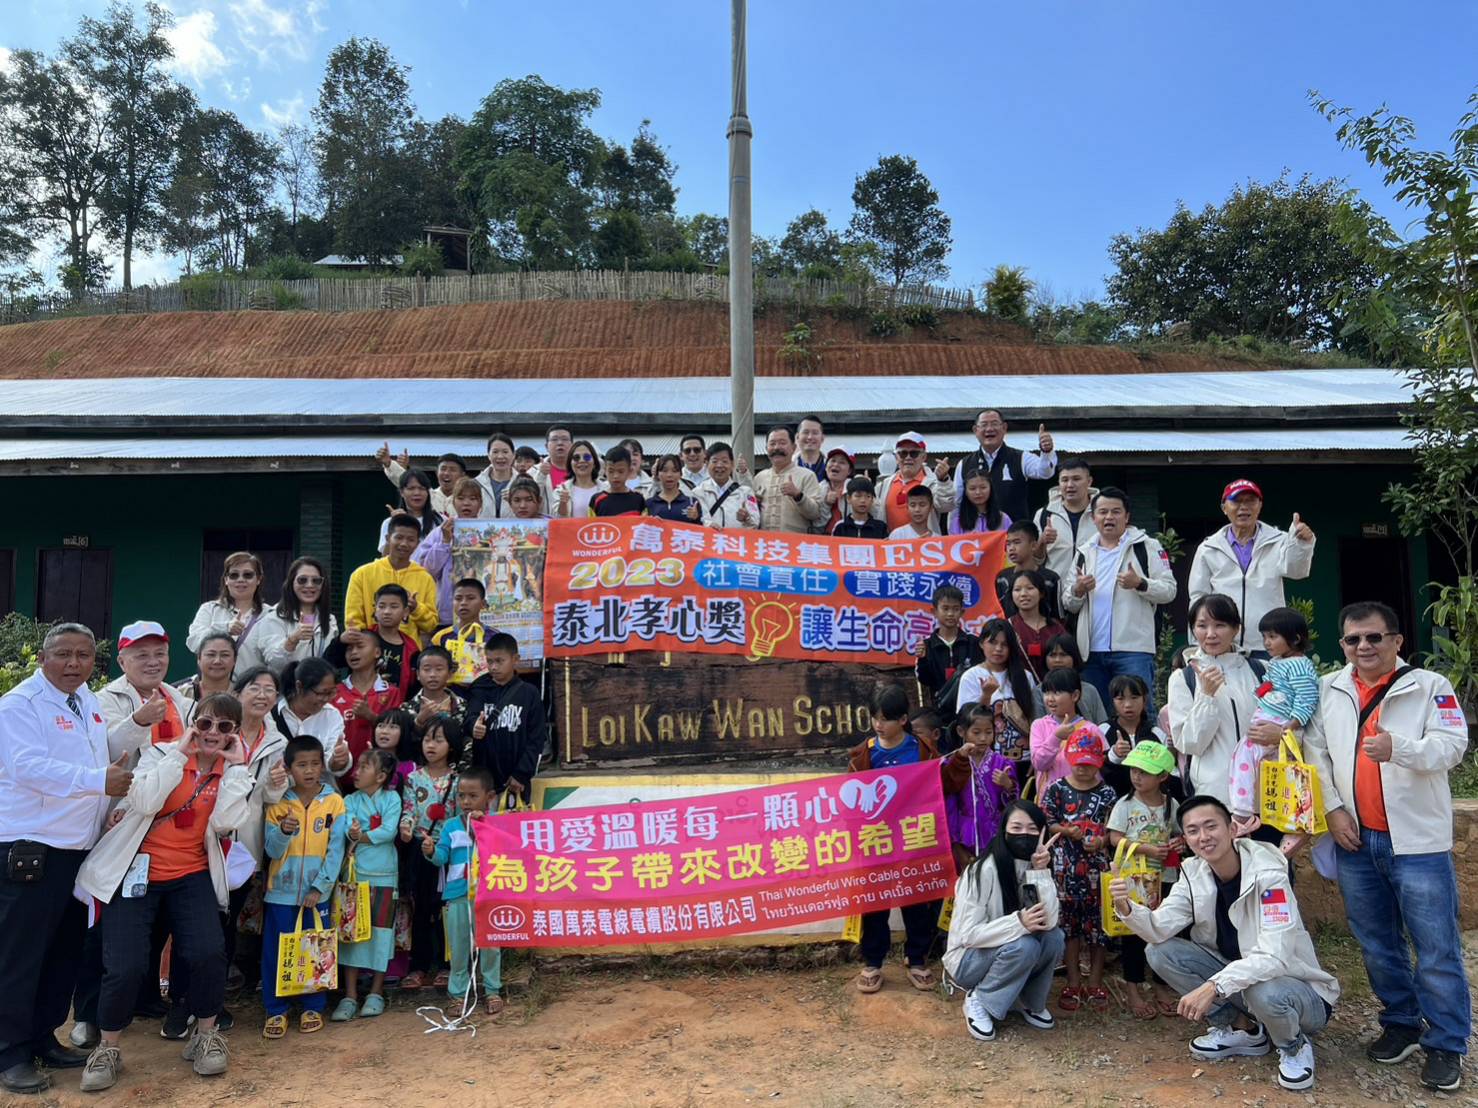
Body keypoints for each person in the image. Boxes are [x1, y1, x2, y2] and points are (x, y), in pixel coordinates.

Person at [1302, 601, 1470, 1092]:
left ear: (1397, 641)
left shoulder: (1431, 687)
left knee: (1436, 947)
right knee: (1377, 944)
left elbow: (1452, 745)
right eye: (1353, 640)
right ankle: (1402, 1022)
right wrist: (1332, 810)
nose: (1364, 647)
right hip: (1356, 839)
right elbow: (1317, 753)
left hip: (1416, 842)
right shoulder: (1330, 687)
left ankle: (1447, 1042)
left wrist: (1401, 749)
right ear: (1343, 645)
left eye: (1374, 638)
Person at [75, 693, 253, 1091]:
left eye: (224, 727)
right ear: (193, 723)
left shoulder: (232, 771)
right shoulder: (159, 753)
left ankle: (205, 1034)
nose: (213, 733)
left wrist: (238, 768)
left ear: (234, 734)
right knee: (126, 965)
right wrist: (178, 754)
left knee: (208, 952)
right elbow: (144, 799)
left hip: (190, 873)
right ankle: (108, 1047)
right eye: (205, 723)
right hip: (136, 870)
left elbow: (225, 821)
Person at [1108, 794, 1339, 1093]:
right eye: (1192, 831)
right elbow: (1158, 929)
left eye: (1210, 826)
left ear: (1232, 829)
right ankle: (1243, 1029)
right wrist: (1126, 906)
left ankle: (1293, 1045)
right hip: (1242, 986)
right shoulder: (1193, 873)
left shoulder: (1269, 876)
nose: (1203, 837)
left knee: (1264, 988)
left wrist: (1212, 986)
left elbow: (1274, 958)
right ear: (1186, 839)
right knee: (1160, 951)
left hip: (1299, 993)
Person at [0, 623, 129, 1096]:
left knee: (60, 952)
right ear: (41, 657)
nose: (74, 663)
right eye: (63, 654)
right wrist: (99, 782)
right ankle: (8, 1051)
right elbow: (26, 767)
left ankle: (41, 1036)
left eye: (83, 655)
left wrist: (135, 727)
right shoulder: (18, 706)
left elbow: (101, 749)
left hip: (78, 848)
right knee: (19, 954)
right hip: (32, 847)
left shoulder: (87, 701)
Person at [847, 684, 940, 994]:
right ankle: (873, 962)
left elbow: (942, 785)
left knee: (915, 901)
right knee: (875, 902)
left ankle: (916, 960)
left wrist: (961, 760)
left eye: (885, 718)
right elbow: (851, 800)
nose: (878, 724)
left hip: (914, 838)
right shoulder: (863, 753)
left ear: (903, 720)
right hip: (876, 841)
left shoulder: (922, 749)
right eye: (874, 717)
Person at [944, 802, 1063, 1042]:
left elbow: (1048, 922)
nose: (1024, 835)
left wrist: (1041, 872)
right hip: (967, 962)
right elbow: (968, 935)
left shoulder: (1032, 866)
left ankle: (1027, 1001)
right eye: (1016, 827)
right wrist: (1018, 923)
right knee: (1025, 945)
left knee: (1054, 938)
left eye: (1032, 829)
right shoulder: (981, 870)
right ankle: (979, 998)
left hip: (1006, 951)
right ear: (1003, 830)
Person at [1062, 488, 1177, 716]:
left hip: (1133, 649)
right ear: (1093, 518)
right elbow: (1068, 602)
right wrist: (1078, 590)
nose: (1109, 517)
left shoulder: (1146, 546)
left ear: (1127, 517)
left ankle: (1145, 752)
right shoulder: (1084, 552)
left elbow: (1169, 590)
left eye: (1116, 512)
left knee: (1141, 713)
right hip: (1091, 650)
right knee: (1096, 717)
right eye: (1102, 512)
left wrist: (1141, 583)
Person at [260, 736, 347, 1038]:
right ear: (288, 768)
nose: (309, 771)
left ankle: (313, 1005)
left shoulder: (334, 802)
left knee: (317, 948)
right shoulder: (278, 803)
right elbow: (271, 850)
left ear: (322, 766)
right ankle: (276, 1009)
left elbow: (336, 851)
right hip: (280, 893)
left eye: (314, 764)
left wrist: (320, 887)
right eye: (301, 765)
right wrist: (283, 832)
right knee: (278, 950)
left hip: (316, 893)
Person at [1187, 480, 1316, 653]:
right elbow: (1198, 597)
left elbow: (1297, 572)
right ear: (1224, 507)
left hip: (1269, 641)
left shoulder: (1279, 540)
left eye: (1250, 501)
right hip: (1224, 644)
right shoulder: (1208, 548)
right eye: (1237, 501)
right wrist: (1197, 643)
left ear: (1260, 506)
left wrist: (1303, 544)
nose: (1244, 507)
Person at [1168, 594, 1268, 812]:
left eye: (1220, 625)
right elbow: (1189, 743)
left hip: (1265, 791)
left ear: (1236, 628)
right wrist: (1206, 696)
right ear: (1193, 630)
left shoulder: (1260, 670)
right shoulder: (1183, 678)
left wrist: (1279, 733)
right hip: (1214, 795)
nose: (1211, 634)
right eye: (1202, 626)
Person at [1106, 740, 1183, 1019]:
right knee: (1133, 935)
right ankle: (1133, 990)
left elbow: (1178, 833)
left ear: (1163, 776)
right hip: (1134, 878)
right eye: (1134, 770)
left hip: (1165, 877)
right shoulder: (1125, 805)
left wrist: (1177, 844)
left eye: (1145, 772)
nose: (1137, 776)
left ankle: (1162, 987)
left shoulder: (1171, 805)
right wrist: (1147, 848)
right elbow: (1114, 838)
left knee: (1164, 930)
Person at [1041, 728, 1115, 1012]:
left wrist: (1102, 840)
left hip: (1097, 871)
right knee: (1070, 929)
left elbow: (1112, 829)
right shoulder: (1057, 788)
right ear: (1068, 758)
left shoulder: (1108, 792)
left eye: (1090, 763)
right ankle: (1072, 981)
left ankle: (1095, 982)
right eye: (1078, 762)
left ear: (1099, 761)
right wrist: (1065, 830)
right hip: (1064, 870)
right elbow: (1047, 821)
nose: (1083, 768)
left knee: (1099, 929)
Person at [425, 768, 505, 1016]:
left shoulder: (495, 823)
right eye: (461, 796)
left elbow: (502, 852)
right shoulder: (450, 827)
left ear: (489, 797)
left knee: (491, 944)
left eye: (473, 796)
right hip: (457, 895)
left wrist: (482, 826)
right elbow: (441, 858)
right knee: (459, 948)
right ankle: (458, 994)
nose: (466, 802)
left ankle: (493, 990)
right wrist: (429, 851)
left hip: (488, 894)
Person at [1228, 606, 1320, 821]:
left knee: (1246, 753)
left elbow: (1306, 697)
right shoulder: (1280, 662)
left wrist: (1291, 725)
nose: (1266, 642)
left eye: (1272, 636)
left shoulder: (1298, 666)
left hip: (1278, 719)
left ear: (1295, 638)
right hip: (1271, 716)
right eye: (1264, 637)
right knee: (1268, 765)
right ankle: (1281, 812)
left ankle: (1242, 810)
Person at [331, 750, 403, 1022]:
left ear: (381, 777)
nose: (356, 771)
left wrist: (359, 835)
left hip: (385, 874)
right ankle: (349, 995)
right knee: (351, 933)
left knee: (381, 933)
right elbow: (348, 828)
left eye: (364, 766)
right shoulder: (349, 799)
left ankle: (376, 991)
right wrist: (358, 834)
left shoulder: (392, 799)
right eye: (357, 766)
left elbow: (389, 832)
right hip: (355, 875)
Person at [399, 718, 464, 990]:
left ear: (451, 746)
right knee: (422, 908)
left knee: (447, 909)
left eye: (438, 740)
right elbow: (409, 808)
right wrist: (406, 827)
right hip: (419, 849)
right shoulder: (413, 777)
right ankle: (418, 966)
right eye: (427, 739)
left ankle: (448, 965)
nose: (431, 745)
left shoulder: (458, 779)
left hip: (448, 851)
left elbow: (461, 815)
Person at [468, 633, 547, 798]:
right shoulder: (479, 687)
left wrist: (522, 773)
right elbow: (470, 718)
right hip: (483, 778)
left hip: (516, 777)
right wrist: (473, 727)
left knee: (514, 821)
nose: (494, 667)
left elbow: (537, 738)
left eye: (499, 661)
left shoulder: (529, 693)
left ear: (515, 659)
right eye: (489, 661)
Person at [942, 704, 1019, 872]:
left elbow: (1013, 805)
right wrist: (955, 842)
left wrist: (1008, 785)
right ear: (962, 732)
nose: (983, 738)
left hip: (995, 831)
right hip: (965, 832)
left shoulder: (1003, 764)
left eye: (988, 732)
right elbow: (950, 805)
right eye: (976, 733)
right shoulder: (954, 765)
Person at [956, 619, 1043, 764]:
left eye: (1004, 644)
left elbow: (1035, 719)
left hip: (1025, 758)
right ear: (981, 643)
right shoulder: (970, 677)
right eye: (993, 642)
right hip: (986, 759)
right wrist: (986, 695)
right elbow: (967, 721)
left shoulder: (1024, 676)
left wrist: (1036, 755)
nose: (998, 649)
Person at [99, 620, 191, 756]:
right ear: (121, 662)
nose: (153, 662)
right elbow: (110, 752)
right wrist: (138, 722)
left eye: (160, 654)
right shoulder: (105, 700)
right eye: (142, 655)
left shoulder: (179, 698)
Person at [345, 514, 439, 642]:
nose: (404, 544)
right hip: (371, 652)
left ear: (417, 543)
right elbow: (353, 621)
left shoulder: (425, 578)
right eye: (399, 537)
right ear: (388, 538)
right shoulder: (362, 574)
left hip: (409, 654)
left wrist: (416, 608)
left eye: (411, 539)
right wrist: (368, 646)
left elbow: (431, 625)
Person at [954, 410, 1057, 526]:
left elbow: (1045, 472)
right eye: (984, 425)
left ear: (1004, 428)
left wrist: (1046, 451)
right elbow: (956, 502)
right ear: (975, 430)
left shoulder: (1021, 458)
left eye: (994, 424)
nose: (989, 429)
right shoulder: (964, 464)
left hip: (1015, 536)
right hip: (977, 537)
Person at [249, 558, 339, 677]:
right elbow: (274, 662)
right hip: (287, 692)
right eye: (302, 580)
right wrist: (292, 640)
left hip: (320, 692)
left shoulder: (329, 620)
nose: (309, 585)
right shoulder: (274, 618)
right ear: (291, 583)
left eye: (316, 581)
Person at [330, 633, 403, 776]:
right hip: (341, 775)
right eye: (349, 649)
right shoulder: (335, 692)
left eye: (360, 646)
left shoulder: (392, 692)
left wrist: (371, 716)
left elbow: (399, 733)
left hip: (380, 777)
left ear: (377, 652)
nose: (354, 652)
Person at [913, 585, 985, 722]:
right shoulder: (927, 645)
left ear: (962, 612)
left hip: (970, 712)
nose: (951, 614)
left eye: (955, 609)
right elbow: (924, 679)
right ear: (934, 611)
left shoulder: (973, 642)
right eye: (945, 609)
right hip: (940, 712)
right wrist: (922, 659)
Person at [272, 659, 352, 781]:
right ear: (299, 686)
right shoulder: (272, 715)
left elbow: (332, 764)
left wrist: (339, 759)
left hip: (317, 793)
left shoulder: (332, 716)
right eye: (321, 693)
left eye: (331, 693)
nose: (326, 699)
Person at [186, 552, 267, 673]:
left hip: (252, 687)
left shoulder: (270, 614)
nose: (240, 579)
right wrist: (224, 629)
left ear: (259, 579)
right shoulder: (209, 609)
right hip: (215, 686)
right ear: (226, 580)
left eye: (248, 575)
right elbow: (193, 642)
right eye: (234, 575)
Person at [431, 579, 497, 724]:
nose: (463, 603)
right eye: (458, 598)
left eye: (471, 598)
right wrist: (445, 669)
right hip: (450, 702)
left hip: (486, 700)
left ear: (483, 604)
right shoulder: (441, 637)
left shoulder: (495, 637)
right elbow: (430, 670)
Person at [1029, 671, 1103, 797]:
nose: (1050, 698)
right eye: (1047, 692)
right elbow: (1039, 764)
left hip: (1084, 800)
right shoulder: (1039, 725)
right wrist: (1056, 737)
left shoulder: (1092, 729)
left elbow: (1100, 768)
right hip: (1050, 800)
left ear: (1075, 695)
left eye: (1057, 693)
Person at [1104, 674, 1173, 798]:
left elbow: (1167, 769)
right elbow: (1095, 769)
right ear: (1113, 702)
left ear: (1145, 700)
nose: (1128, 705)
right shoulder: (1103, 731)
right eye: (1120, 699)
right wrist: (1114, 754)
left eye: (1134, 697)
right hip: (1112, 800)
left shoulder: (1156, 733)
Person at [873, 431, 955, 535]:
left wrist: (943, 480)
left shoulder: (933, 483)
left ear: (924, 457)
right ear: (897, 457)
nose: (908, 458)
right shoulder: (884, 485)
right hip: (892, 546)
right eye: (903, 453)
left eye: (914, 453)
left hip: (922, 547)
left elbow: (946, 505)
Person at [1032, 457, 1097, 584]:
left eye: (1076, 479)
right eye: (1064, 480)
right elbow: (1035, 560)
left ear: (1089, 481)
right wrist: (1042, 541)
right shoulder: (1044, 515)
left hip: (1094, 589)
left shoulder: (1102, 513)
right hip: (1055, 590)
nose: (1070, 485)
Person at [752, 425, 827, 534]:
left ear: (793, 447)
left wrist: (798, 495)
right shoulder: (760, 477)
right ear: (766, 448)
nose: (777, 448)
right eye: (772, 444)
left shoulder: (807, 476)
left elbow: (815, 514)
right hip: (764, 545)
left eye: (782, 443)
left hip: (794, 546)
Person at [1007, 570, 1068, 682]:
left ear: (1041, 593)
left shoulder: (1056, 627)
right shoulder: (1007, 627)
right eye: (1017, 589)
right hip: (1019, 689)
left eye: (1030, 588)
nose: (1023, 594)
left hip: (1054, 691)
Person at [994, 521, 1061, 621]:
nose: (1011, 548)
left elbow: (1058, 617)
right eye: (1008, 544)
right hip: (1010, 634)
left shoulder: (1050, 579)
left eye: (1017, 542)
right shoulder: (1002, 578)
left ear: (1033, 545)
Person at [377, 446, 468, 517]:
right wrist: (389, 463)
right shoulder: (427, 495)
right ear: (436, 473)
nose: (446, 473)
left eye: (452, 470)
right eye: (443, 469)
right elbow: (405, 480)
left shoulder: (470, 500)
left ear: (462, 475)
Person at [1043, 634, 1108, 726]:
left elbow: (1102, 724)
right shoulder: (1039, 692)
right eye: (1052, 655)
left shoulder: (1089, 690)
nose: (1057, 660)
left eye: (1063, 655)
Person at [694, 442, 759, 529]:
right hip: (710, 541)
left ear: (732, 464)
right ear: (706, 464)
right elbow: (696, 521)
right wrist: (708, 525)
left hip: (736, 541)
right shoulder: (698, 492)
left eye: (724, 461)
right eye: (714, 461)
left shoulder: (746, 492)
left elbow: (755, 523)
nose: (720, 465)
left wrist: (747, 518)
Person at [376, 468, 443, 552]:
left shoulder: (440, 521)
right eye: (411, 488)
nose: (417, 493)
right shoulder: (389, 522)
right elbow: (385, 558)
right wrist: (396, 524)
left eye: (422, 488)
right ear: (401, 492)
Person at [176, 634, 238, 706]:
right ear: (199, 659)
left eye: (225, 655)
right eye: (211, 655)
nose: (217, 661)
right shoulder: (180, 694)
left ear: (235, 660)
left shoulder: (242, 695)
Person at [590, 445, 647, 517]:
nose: (615, 476)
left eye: (620, 471)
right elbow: (591, 525)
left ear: (629, 471)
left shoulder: (639, 500)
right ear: (605, 471)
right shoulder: (596, 500)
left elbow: (645, 525)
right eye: (611, 471)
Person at [950, 470, 1010, 535]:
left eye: (983, 487)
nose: (978, 492)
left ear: (990, 489)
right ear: (966, 492)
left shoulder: (1003, 519)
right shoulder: (957, 522)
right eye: (972, 488)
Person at [554, 440, 603, 520]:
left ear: (594, 463)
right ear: (570, 463)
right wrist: (563, 503)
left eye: (587, 457)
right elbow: (558, 520)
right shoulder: (561, 490)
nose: (582, 460)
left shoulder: (607, 488)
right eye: (576, 458)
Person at [647, 455, 704, 522]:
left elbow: (700, 529)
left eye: (674, 471)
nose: (669, 475)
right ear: (657, 474)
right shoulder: (649, 503)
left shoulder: (692, 503)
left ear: (680, 474)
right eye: (665, 470)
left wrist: (696, 518)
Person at [475, 434, 516, 517]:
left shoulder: (523, 482)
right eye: (495, 452)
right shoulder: (476, 484)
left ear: (513, 455)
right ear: (488, 455)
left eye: (505, 452)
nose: (500, 456)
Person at [818, 447, 855, 534]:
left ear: (849, 471)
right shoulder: (818, 489)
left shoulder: (855, 490)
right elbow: (816, 525)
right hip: (823, 542)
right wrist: (826, 504)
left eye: (842, 462)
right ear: (826, 466)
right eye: (833, 461)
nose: (835, 465)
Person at [794, 415, 828, 482]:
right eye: (806, 432)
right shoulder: (789, 465)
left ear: (822, 438)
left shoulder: (830, 466)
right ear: (797, 437)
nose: (810, 437)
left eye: (815, 433)